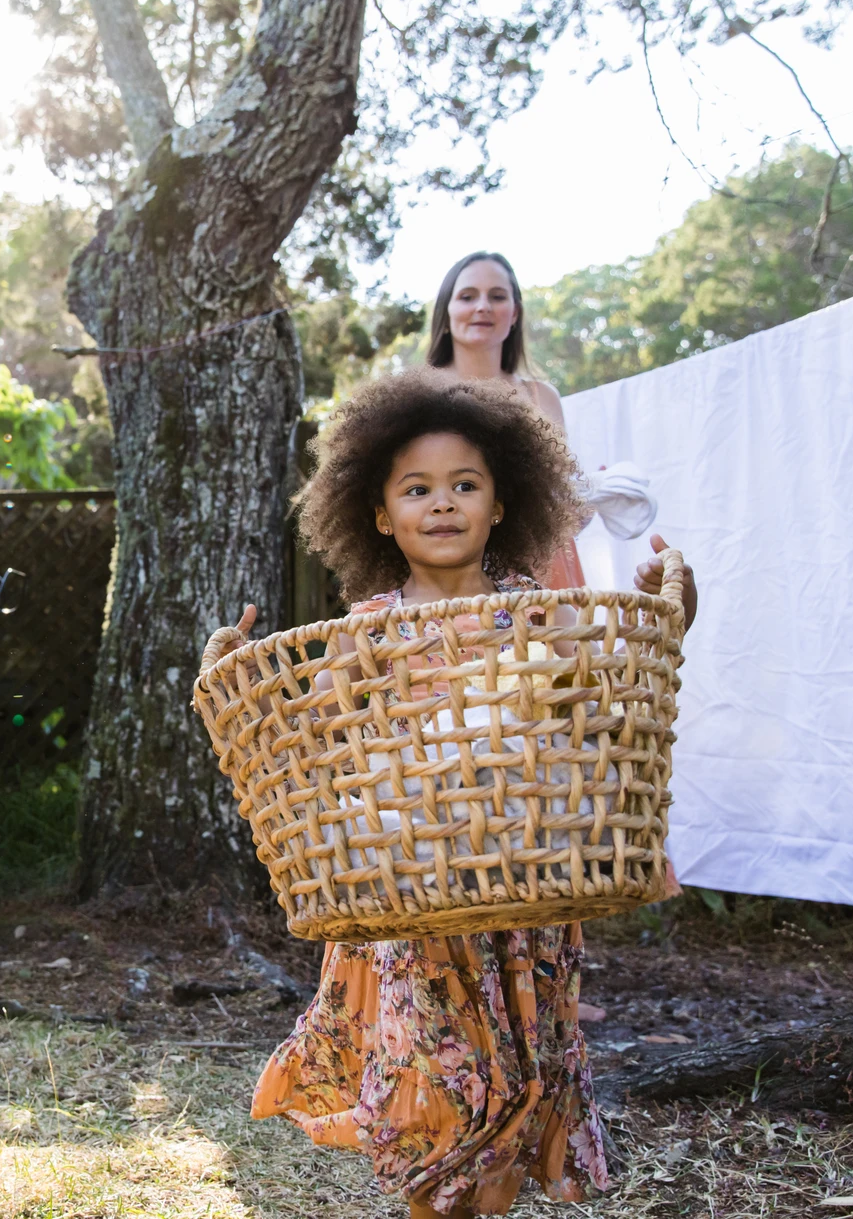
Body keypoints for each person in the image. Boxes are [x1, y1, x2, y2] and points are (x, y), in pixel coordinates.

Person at [203, 377, 696, 1218]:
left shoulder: (538, 614)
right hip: (417, 899)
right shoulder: (368, 629)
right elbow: (306, 732)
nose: (443, 504)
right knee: (436, 1086)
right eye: (416, 489)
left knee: (514, 1082)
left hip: (521, 891)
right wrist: (231, 675)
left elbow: (613, 689)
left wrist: (672, 608)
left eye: (465, 485)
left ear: (503, 503)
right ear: (382, 514)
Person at [421, 250, 586, 589]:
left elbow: (561, 509)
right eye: (468, 296)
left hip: (544, 571)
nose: (483, 306)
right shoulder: (420, 397)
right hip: (452, 572)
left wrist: (591, 499)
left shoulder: (543, 398)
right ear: (446, 312)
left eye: (497, 296)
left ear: (514, 314)